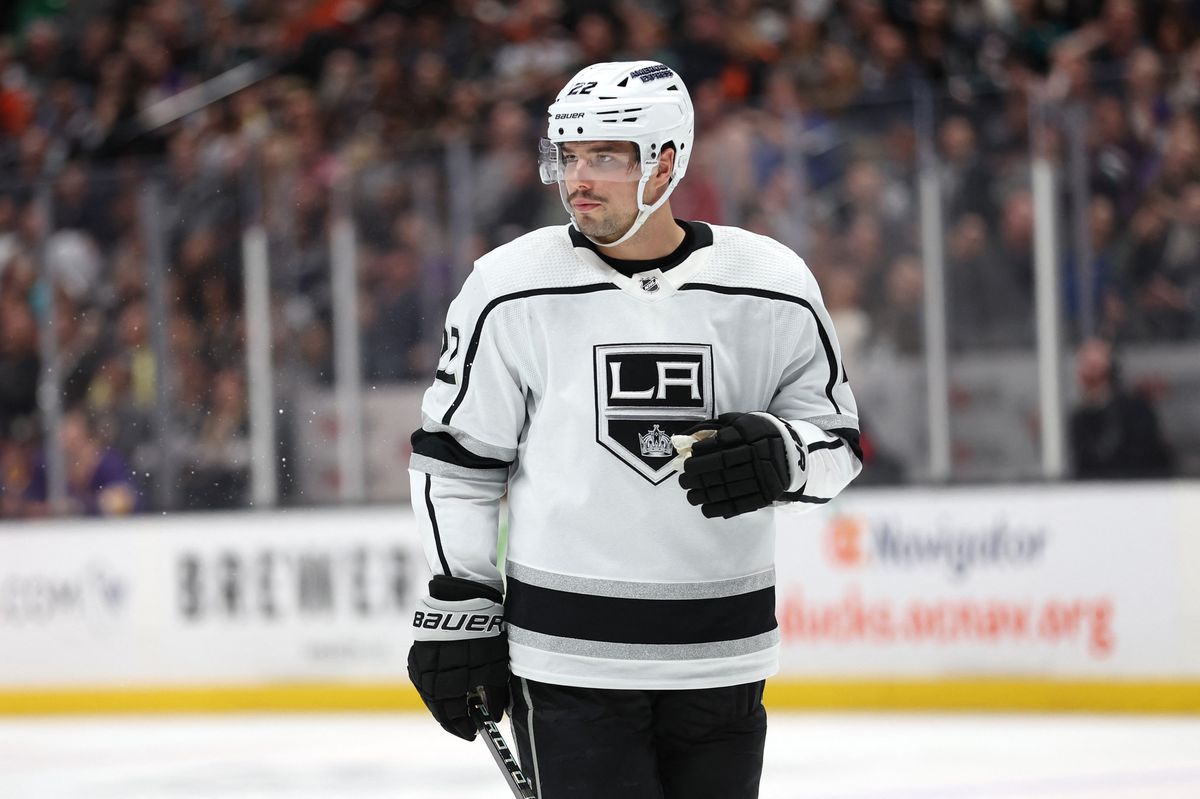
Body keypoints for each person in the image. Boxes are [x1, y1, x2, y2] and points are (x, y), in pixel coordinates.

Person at [405, 61, 862, 799]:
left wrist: (784, 454)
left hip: (724, 659)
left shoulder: (770, 283)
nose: (578, 178)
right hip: (569, 664)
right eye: (569, 154)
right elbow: (456, 463)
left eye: (606, 156)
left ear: (667, 161)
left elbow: (837, 440)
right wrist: (461, 605)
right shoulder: (509, 287)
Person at [1068, 337, 1174, 479]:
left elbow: (1147, 459)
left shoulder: (1136, 411)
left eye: (1095, 370)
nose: (1084, 377)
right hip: (1097, 494)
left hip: (1140, 491)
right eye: (1084, 368)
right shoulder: (1079, 420)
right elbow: (1083, 465)